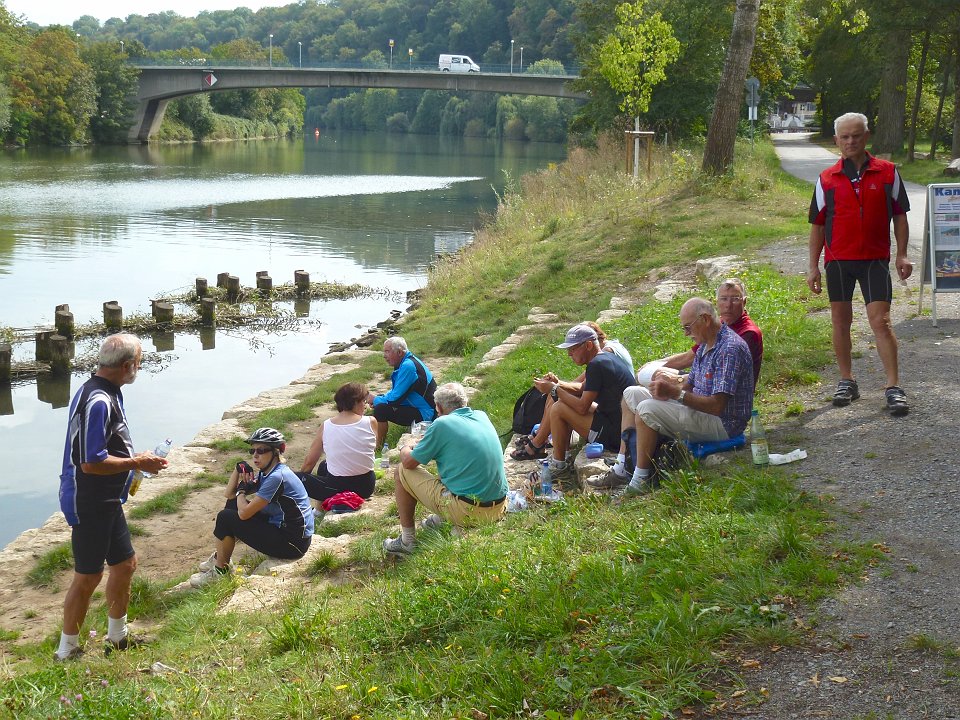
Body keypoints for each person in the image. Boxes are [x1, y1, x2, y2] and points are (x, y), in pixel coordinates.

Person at [56, 334, 169, 661]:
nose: (140, 367)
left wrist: (134, 459)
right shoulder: (99, 400)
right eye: (139, 362)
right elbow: (91, 462)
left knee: (124, 565)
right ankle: (67, 652)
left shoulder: (103, 389)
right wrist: (137, 463)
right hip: (89, 499)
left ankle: (117, 637)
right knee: (88, 575)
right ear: (127, 366)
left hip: (108, 498)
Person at [808, 111, 912, 416]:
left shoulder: (888, 172)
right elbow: (816, 224)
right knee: (840, 322)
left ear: (867, 136)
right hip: (838, 261)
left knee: (881, 322)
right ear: (837, 140)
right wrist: (813, 266)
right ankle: (847, 380)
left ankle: (893, 387)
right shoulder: (826, 178)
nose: (850, 141)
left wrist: (902, 253)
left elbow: (900, 215)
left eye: (856, 135)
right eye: (844, 136)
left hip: (874, 260)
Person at [612, 298, 754, 497]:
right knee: (631, 394)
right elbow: (689, 384)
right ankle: (622, 465)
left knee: (646, 409)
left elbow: (717, 406)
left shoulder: (729, 349)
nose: (687, 333)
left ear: (704, 319)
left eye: (688, 327)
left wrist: (675, 394)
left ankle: (640, 480)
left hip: (724, 424)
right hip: (701, 411)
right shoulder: (706, 343)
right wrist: (664, 390)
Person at [383, 383, 507, 557]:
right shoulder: (481, 415)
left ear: (439, 407)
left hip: (469, 510)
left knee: (401, 471)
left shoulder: (442, 423)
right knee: (454, 464)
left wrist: (406, 446)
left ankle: (407, 541)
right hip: (498, 508)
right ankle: (442, 518)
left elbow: (409, 462)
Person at [190, 428, 314, 587]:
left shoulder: (277, 477)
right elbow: (229, 495)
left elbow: (243, 514)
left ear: (276, 452)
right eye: (252, 450)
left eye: (261, 450)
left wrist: (241, 490)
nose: (255, 455)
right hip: (285, 531)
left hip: (292, 544)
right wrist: (237, 470)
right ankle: (219, 559)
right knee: (231, 506)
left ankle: (220, 573)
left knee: (225, 517)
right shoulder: (267, 472)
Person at [520, 324, 636, 487]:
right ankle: (563, 456)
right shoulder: (604, 358)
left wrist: (554, 390)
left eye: (573, 349)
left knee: (559, 408)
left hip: (615, 433)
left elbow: (582, 406)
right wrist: (558, 384)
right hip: (618, 422)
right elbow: (582, 388)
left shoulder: (597, 365)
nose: (569, 354)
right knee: (561, 402)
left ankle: (559, 465)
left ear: (588, 345)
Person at [659, 278, 763, 386]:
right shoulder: (719, 326)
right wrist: (657, 365)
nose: (728, 305)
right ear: (716, 302)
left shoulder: (748, 334)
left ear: (744, 302)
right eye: (724, 299)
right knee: (649, 381)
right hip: (704, 382)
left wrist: (678, 380)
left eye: (735, 299)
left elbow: (720, 379)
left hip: (721, 393)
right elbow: (692, 354)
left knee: (650, 391)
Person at [297, 382, 377, 506]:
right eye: (364, 402)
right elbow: (369, 449)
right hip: (366, 486)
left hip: (338, 488)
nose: (365, 406)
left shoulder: (327, 425)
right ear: (355, 402)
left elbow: (309, 462)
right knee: (324, 465)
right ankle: (319, 510)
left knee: (293, 478)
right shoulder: (371, 422)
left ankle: (311, 511)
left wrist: (301, 477)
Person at [368, 336, 436, 447]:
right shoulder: (408, 361)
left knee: (381, 409)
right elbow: (398, 392)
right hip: (421, 407)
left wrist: (375, 399)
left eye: (387, 352)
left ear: (399, 352)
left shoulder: (408, 366)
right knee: (381, 401)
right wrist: (379, 398)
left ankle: (378, 446)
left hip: (426, 414)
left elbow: (395, 399)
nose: (384, 356)